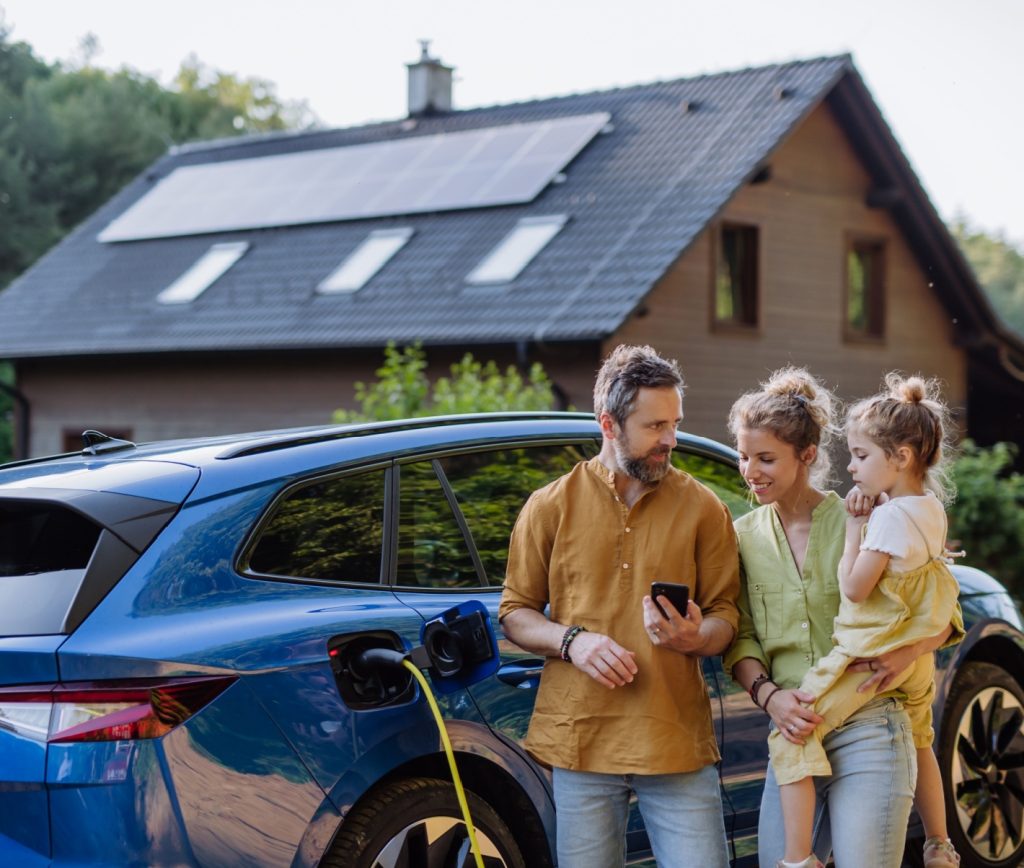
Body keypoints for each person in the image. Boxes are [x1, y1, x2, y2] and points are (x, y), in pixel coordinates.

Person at [499, 344, 740, 868]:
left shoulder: (704, 508)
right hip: (580, 742)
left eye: (674, 423)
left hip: (674, 741)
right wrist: (572, 642)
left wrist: (698, 637)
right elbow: (515, 612)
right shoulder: (550, 506)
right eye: (655, 426)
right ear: (609, 423)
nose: (670, 440)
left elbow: (726, 616)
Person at [723, 367, 963, 868]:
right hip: (794, 725)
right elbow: (740, 637)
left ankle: (940, 843)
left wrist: (907, 652)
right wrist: (771, 698)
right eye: (745, 457)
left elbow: (938, 609)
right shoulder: (741, 536)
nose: (750, 471)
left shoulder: (870, 514)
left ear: (807, 456)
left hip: (873, 721)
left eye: (766, 459)